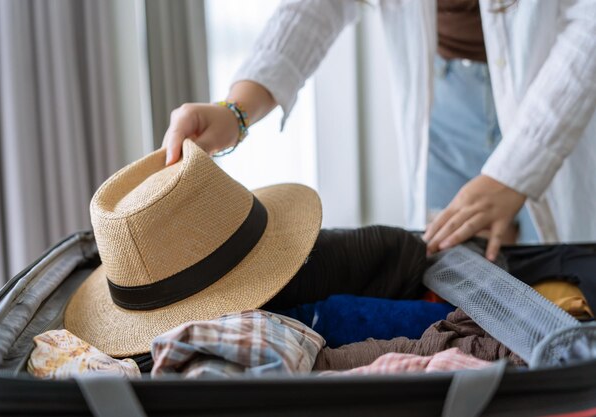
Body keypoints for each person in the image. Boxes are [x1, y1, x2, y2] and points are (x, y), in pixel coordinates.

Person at [161, 0, 596, 261]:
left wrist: (517, 169)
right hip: (442, 103)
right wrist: (237, 110)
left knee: (564, 282)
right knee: (457, 286)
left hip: (559, 96)